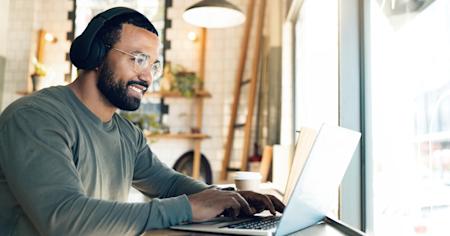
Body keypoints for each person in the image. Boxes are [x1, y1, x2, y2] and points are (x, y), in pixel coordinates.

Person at [0, 7, 284, 236]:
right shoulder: (35, 118)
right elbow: (64, 219)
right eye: (138, 59)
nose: (147, 77)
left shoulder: (125, 133)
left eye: (153, 65)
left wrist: (228, 197)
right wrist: (188, 207)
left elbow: (169, 183)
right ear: (96, 55)